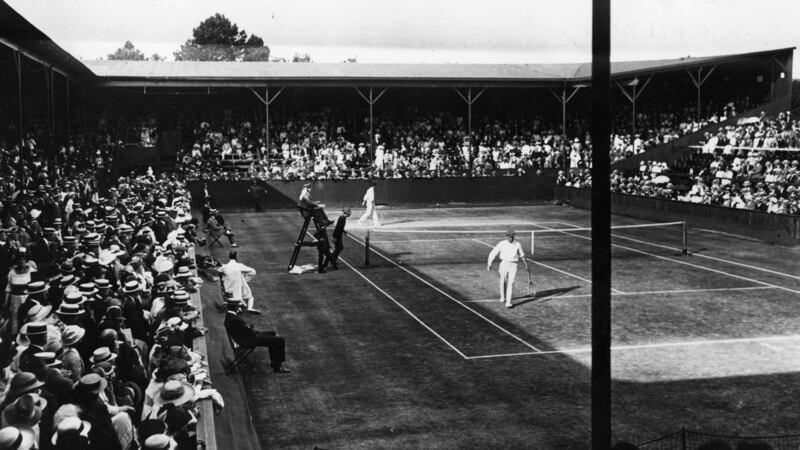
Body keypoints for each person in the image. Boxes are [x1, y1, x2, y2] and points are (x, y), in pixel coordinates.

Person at [224, 298, 290, 373]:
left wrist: (248, 327)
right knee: (280, 340)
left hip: (246, 337)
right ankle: (277, 367)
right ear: (235, 307)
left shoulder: (229, 316)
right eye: (238, 306)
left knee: (272, 333)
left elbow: (241, 328)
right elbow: (247, 330)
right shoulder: (233, 318)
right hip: (248, 340)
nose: (239, 308)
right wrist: (250, 329)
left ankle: (275, 362)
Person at [486, 230, 529, 308]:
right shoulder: (501, 244)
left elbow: (522, 255)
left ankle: (508, 302)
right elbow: (493, 253)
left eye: (512, 237)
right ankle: (503, 297)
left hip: (514, 265)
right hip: (504, 264)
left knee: (511, 283)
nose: (511, 238)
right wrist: (489, 263)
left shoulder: (517, 244)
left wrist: (526, 265)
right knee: (503, 282)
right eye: (509, 237)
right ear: (506, 237)